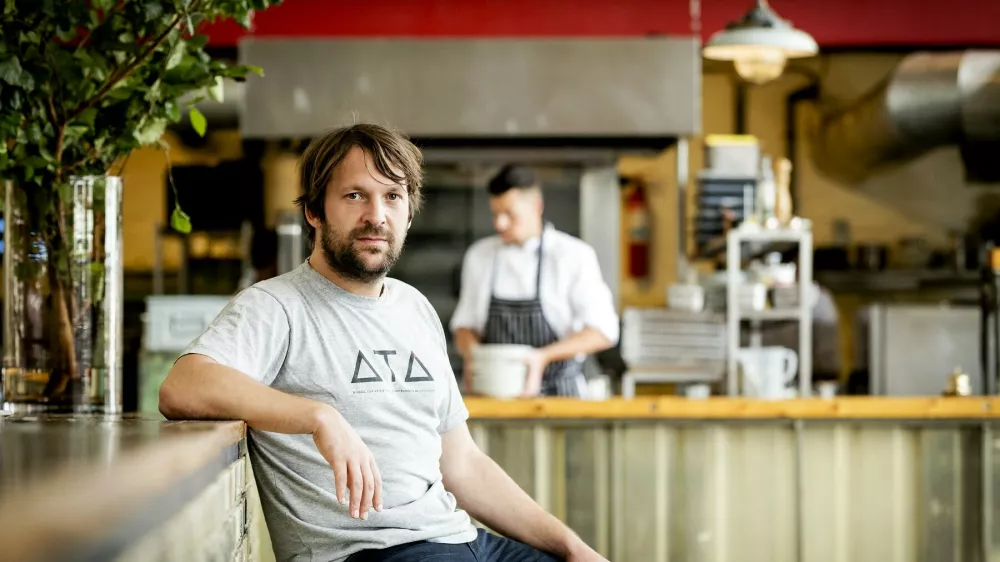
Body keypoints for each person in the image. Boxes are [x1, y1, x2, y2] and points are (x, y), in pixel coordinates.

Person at [158, 124, 606, 562]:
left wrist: (571, 547)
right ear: (314, 211)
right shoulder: (277, 306)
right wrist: (318, 416)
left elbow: (463, 465)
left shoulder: (415, 308)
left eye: (393, 196)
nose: (377, 215)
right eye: (355, 196)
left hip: (462, 538)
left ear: (409, 211)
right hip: (372, 551)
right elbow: (182, 385)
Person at [450, 165, 620, 397]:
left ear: (536, 207)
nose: (500, 224)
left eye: (510, 214)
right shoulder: (479, 256)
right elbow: (464, 327)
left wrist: (542, 358)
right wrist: (476, 358)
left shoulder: (573, 255)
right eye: (495, 214)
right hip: (495, 398)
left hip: (561, 397)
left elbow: (603, 331)